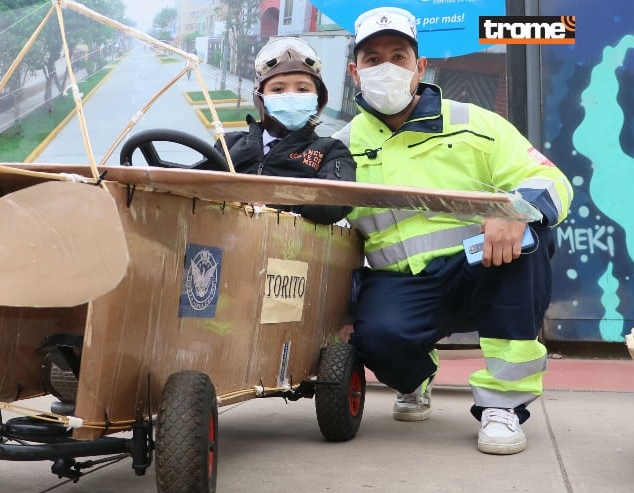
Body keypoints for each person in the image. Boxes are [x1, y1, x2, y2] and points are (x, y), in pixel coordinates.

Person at [333, 7, 572, 454]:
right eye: (373, 59)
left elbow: (551, 181)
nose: (386, 68)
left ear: (419, 67)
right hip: (401, 283)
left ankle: (502, 406)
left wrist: (515, 211)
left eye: (399, 57)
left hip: (480, 266)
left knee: (530, 241)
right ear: (355, 72)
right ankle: (416, 376)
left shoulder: (474, 123)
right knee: (380, 341)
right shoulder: (341, 148)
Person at [197, 37, 353, 225]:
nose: (290, 96)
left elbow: (334, 203)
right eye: (278, 89)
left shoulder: (331, 151)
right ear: (261, 98)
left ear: (318, 98)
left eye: (302, 89)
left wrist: (270, 199)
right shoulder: (229, 144)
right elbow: (191, 187)